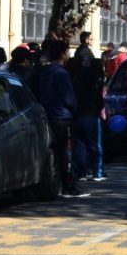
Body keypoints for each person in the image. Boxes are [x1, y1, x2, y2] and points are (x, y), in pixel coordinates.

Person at [38, 39, 88, 198]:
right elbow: (69, 98)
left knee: (55, 152)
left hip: (48, 115)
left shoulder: (43, 71)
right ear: (62, 54)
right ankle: (68, 186)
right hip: (62, 116)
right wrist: (75, 109)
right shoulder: (61, 73)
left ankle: (58, 184)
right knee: (66, 153)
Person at [72, 33, 105, 182]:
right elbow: (100, 102)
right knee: (95, 146)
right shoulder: (94, 85)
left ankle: (81, 173)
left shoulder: (76, 82)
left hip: (79, 115)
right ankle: (97, 172)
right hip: (91, 116)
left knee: (80, 145)